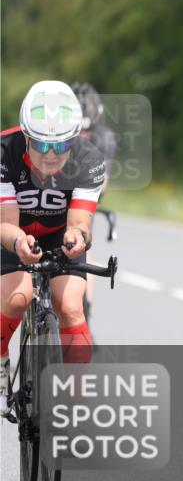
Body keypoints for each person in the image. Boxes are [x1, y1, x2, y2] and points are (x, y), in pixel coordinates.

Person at [0, 81, 106, 416]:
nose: (50, 153)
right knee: (17, 299)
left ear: (74, 139)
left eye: (60, 144)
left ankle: (74, 403)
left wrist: (78, 239)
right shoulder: (4, 150)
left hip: (58, 234)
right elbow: (6, 223)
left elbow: (81, 223)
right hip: (12, 232)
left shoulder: (89, 158)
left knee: (71, 305)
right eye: (42, 143)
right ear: (27, 138)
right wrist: (18, 243)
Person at [70, 82, 117, 322]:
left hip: (85, 192)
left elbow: (103, 181)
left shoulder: (105, 137)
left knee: (82, 247)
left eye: (86, 133)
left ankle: (85, 310)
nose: (82, 138)